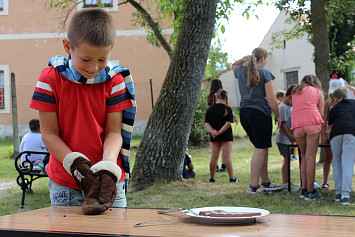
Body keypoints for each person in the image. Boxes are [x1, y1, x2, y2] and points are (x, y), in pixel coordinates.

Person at [29, 9, 136, 215]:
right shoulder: (50, 79)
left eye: (102, 59)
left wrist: (107, 167)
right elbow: (49, 133)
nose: (94, 67)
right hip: (66, 182)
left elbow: (114, 133)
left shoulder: (115, 80)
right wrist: (75, 165)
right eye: (86, 59)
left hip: (109, 182)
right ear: (67, 47)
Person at [232, 47, 281, 194]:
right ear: (263, 59)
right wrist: (278, 115)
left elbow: (233, 65)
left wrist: (244, 59)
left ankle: (265, 182)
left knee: (262, 147)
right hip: (260, 113)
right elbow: (272, 99)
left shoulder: (241, 71)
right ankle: (253, 186)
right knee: (260, 149)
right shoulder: (265, 73)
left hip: (245, 113)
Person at [291, 75, 324, 201]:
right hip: (312, 122)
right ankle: (311, 191)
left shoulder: (295, 91)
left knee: (303, 156)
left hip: (297, 124)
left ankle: (303, 189)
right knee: (311, 157)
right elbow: (321, 114)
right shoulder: (318, 92)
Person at [205, 89, 239, 183]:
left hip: (214, 136)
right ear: (226, 98)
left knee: (214, 157)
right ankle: (232, 178)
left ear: (216, 97)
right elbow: (228, 123)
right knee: (227, 157)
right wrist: (219, 132)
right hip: (226, 135)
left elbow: (207, 123)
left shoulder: (210, 109)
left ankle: (212, 178)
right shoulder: (227, 109)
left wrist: (213, 132)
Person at [328, 88, 355, 205]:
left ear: (335, 99)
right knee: (347, 163)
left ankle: (338, 192)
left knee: (336, 162)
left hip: (336, 134)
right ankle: (345, 195)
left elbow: (330, 123)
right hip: (350, 133)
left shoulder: (335, 107)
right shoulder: (353, 103)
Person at [320, 74, 345, 190]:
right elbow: (324, 118)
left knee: (341, 158)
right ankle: (325, 181)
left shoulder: (345, 102)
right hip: (329, 132)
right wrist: (323, 134)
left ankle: (340, 182)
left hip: (341, 132)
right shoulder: (327, 103)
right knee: (328, 158)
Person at [274, 85, 298, 191]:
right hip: (283, 139)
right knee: (286, 159)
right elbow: (282, 124)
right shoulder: (282, 107)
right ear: (288, 97)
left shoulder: (290, 107)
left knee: (288, 159)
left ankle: (287, 180)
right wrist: (289, 136)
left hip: (289, 138)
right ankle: (285, 181)